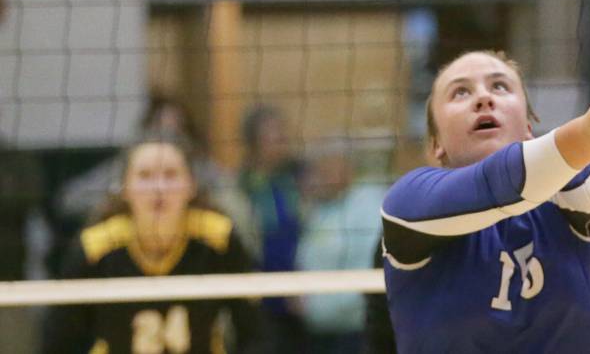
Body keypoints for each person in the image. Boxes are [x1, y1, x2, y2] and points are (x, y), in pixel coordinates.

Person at [381, 50, 590, 353]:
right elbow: (502, 180)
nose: (483, 98)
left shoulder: (562, 195)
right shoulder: (409, 203)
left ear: (530, 127)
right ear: (436, 144)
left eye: (500, 86)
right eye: (460, 92)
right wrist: (587, 134)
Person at [42, 139, 265, 354]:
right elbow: (58, 340)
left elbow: (255, 334)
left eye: (170, 175)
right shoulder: (95, 247)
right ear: (125, 189)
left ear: (191, 186)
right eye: (145, 176)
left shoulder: (219, 239)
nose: (159, 188)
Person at [296, 138, 385, 353]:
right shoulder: (321, 208)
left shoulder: (369, 206)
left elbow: (367, 277)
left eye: (324, 169)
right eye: (316, 171)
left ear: (344, 167)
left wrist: (314, 308)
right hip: (319, 333)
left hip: (353, 335)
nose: (317, 177)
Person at [238, 103, 306, 352]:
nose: (281, 141)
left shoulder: (295, 179)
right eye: (273, 136)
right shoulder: (240, 187)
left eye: (282, 134)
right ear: (254, 143)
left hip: (299, 297)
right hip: (260, 299)